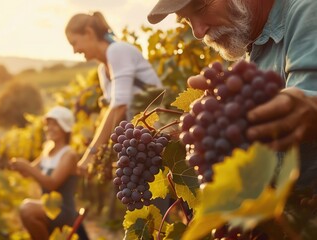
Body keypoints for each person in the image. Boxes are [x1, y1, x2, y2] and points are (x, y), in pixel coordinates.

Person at [147, 0, 317, 189]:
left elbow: (307, 102)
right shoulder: (252, 54)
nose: (198, 32)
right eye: (186, 19)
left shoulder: (307, 11)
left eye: (201, 7)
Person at [65, 11, 163, 174]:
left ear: (89, 33)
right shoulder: (103, 71)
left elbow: (119, 106)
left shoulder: (117, 51)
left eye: (74, 43)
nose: (75, 50)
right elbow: (114, 114)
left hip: (159, 136)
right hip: (142, 144)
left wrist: (92, 153)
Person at [9, 106, 86, 240]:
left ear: (65, 128)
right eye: (48, 124)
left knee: (27, 209)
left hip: (62, 211)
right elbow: (29, 173)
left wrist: (27, 166)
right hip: (48, 208)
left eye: (55, 124)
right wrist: (19, 166)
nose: (49, 128)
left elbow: (52, 183)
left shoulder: (69, 154)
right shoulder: (47, 150)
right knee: (28, 212)